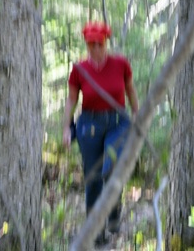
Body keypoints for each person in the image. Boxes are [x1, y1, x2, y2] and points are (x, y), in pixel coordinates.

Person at [63, 21, 138, 245]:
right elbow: (71, 100)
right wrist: (67, 127)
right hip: (89, 125)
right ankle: (95, 233)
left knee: (111, 169)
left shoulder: (120, 64)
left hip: (118, 123)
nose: (95, 48)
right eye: (90, 44)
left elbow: (130, 90)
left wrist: (138, 116)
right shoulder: (79, 70)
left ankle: (114, 221)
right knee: (93, 178)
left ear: (106, 42)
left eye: (99, 44)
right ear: (86, 45)